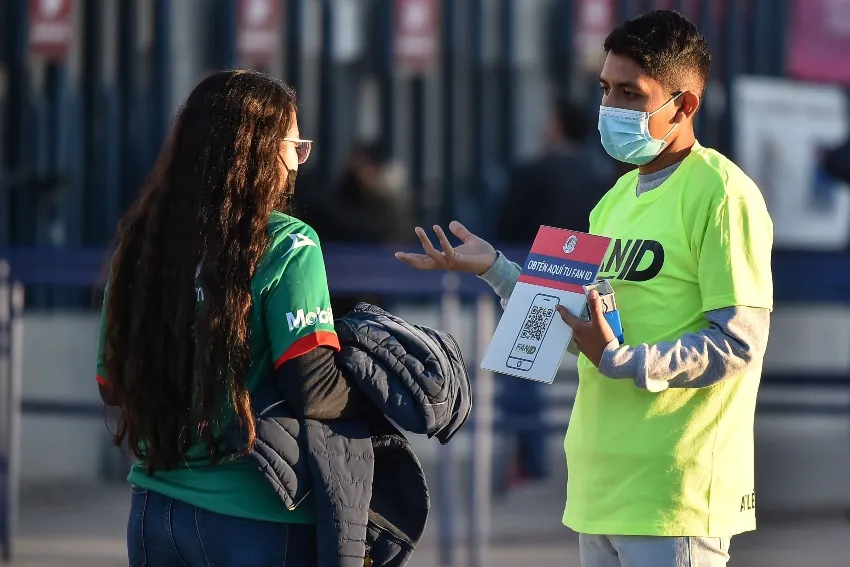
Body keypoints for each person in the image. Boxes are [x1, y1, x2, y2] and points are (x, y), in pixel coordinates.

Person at [396, 10, 773, 567]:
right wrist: (496, 270)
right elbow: (579, 332)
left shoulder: (723, 195)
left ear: (685, 105)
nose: (611, 108)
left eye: (630, 93)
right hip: (599, 488)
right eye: (605, 89)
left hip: (675, 494)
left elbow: (739, 343)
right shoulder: (613, 201)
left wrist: (623, 360)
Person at [96, 70, 383, 566]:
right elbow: (312, 387)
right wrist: (376, 388)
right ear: (261, 151)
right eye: (296, 147)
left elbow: (112, 385)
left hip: (155, 509)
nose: (296, 166)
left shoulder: (140, 244)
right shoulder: (289, 243)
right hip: (261, 516)